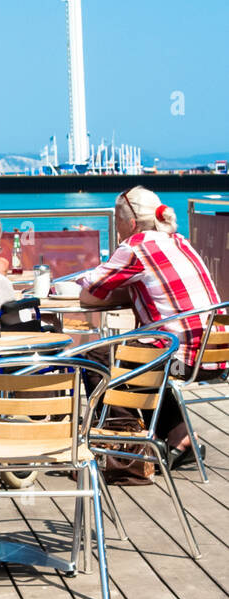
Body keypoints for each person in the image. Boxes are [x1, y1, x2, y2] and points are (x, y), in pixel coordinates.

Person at [78, 187, 220, 467]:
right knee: (144, 352)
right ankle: (180, 438)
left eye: (117, 220)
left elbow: (90, 293)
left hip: (183, 360)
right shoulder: (179, 241)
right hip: (214, 352)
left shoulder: (134, 247)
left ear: (129, 223)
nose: (116, 226)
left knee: (97, 357)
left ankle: (126, 450)